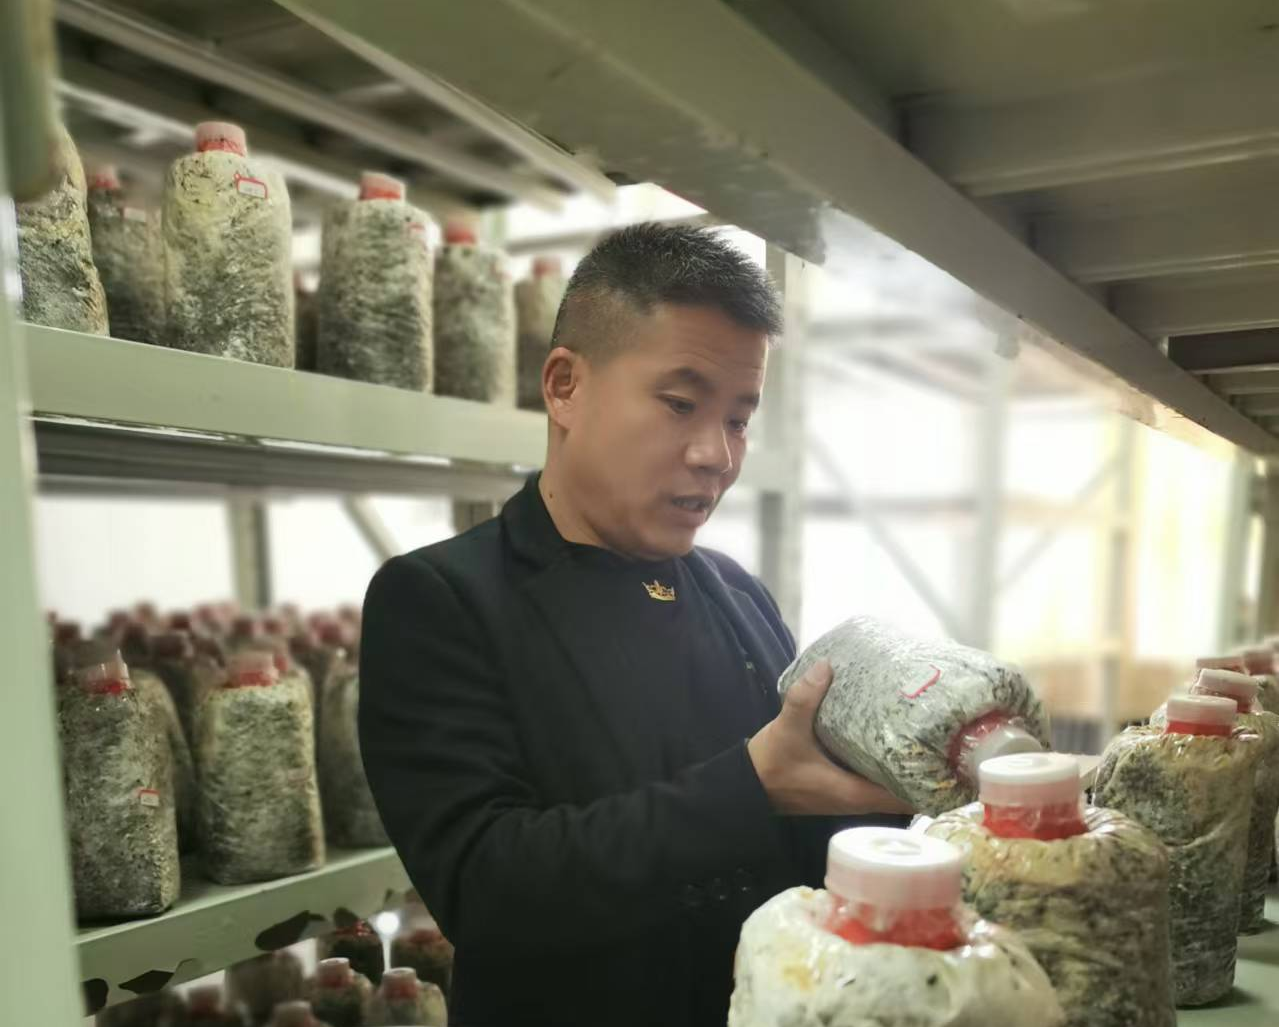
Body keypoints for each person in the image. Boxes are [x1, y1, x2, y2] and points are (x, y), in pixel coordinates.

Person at [359, 223, 910, 1027]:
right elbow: (485, 886)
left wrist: (911, 787)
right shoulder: (440, 600)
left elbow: (803, 837)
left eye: (738, 419)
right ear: (564, 387)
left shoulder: (736, 593)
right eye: (681, 405)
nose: (716, 455)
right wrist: (749, 785)